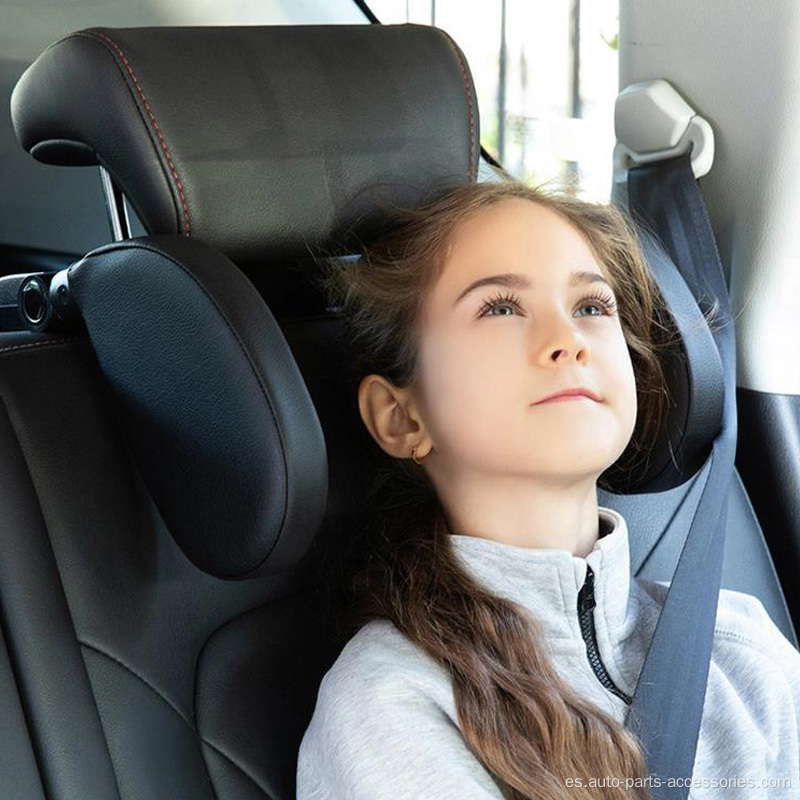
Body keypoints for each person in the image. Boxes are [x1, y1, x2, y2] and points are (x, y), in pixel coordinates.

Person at [296, 179, 800, 799]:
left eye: (591, 305)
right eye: (500, 308)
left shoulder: (741, 651)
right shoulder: (394, 702)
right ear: (402, 417)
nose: (570, 340)